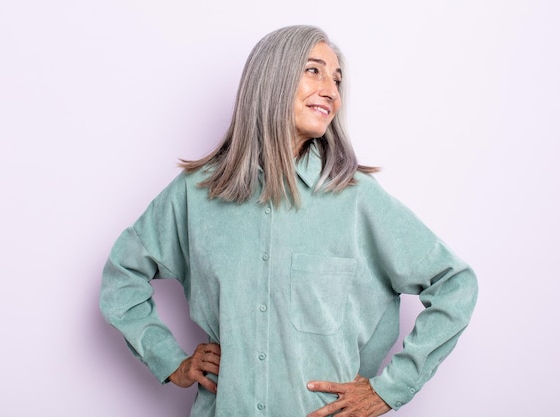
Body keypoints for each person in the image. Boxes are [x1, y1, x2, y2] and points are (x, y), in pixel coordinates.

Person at [99, 25, 478, 417]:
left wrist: (390, 388)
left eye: (337, 79)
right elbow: (122, 276)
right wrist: (170, 361)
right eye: (314, 70)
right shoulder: (196, 194)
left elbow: (455, 283)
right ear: (272, 79)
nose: (331, 90)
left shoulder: (357, 198)